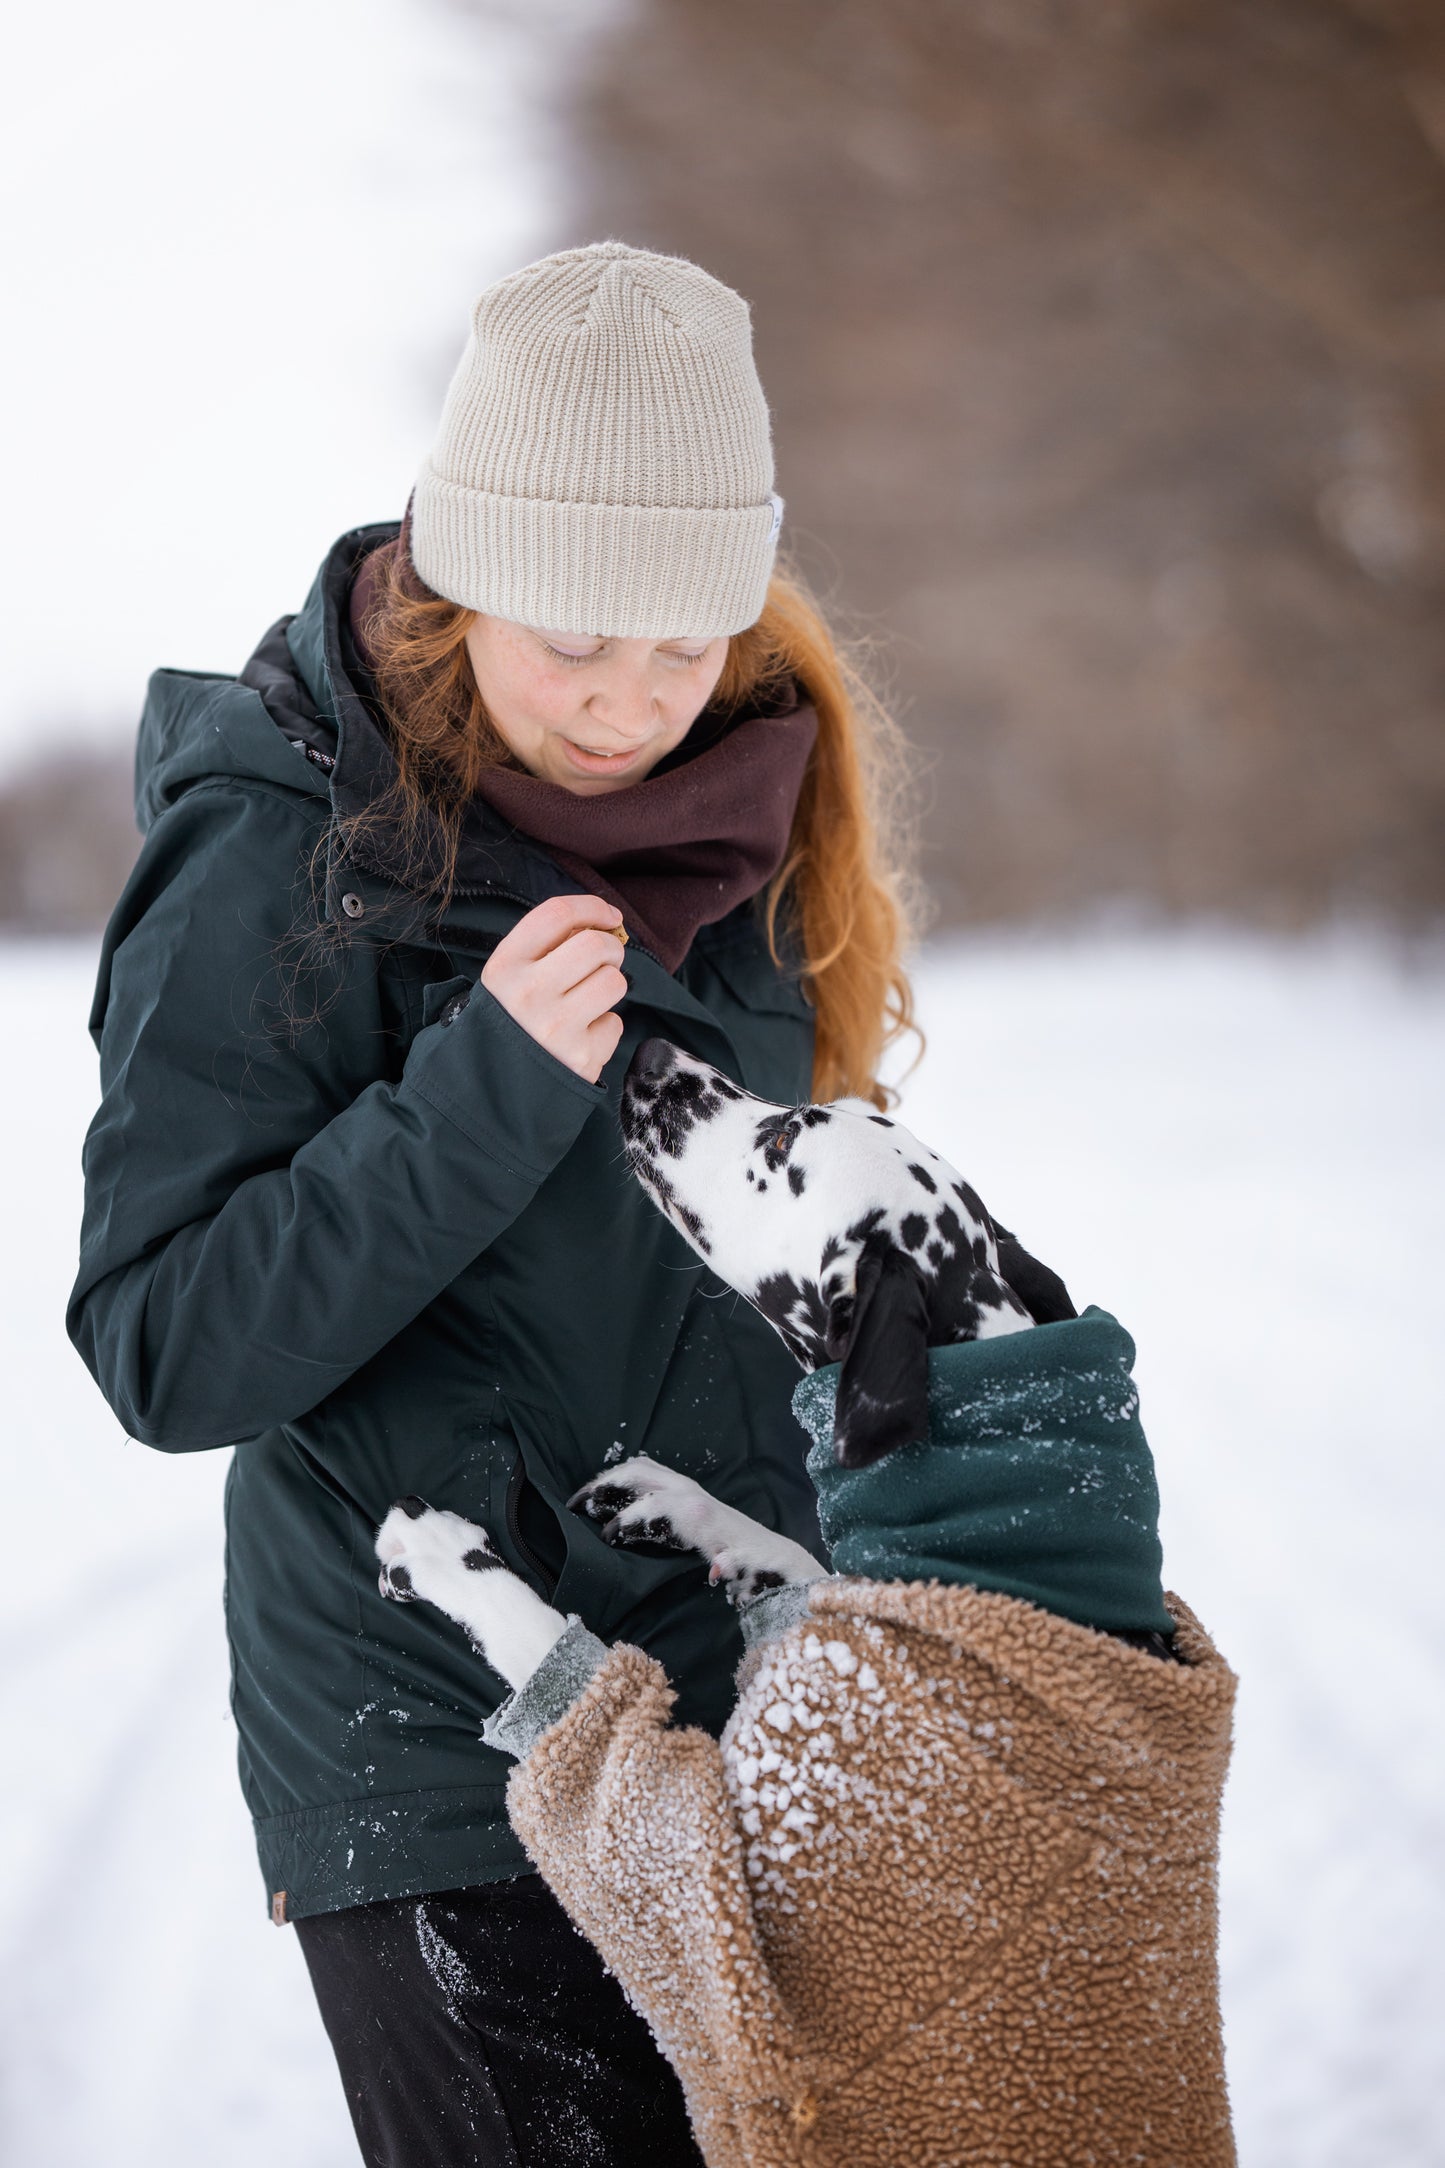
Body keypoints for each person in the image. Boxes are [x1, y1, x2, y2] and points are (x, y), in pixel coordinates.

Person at [67, 240, 920, 2168]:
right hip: (446, 1726)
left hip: (747, 1682)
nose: (626, 707)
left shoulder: (748, 808)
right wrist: (480, 1098)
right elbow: (165, 1345)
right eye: (569, 648)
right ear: (458, 596)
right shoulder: (279, 845)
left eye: (679, 648)